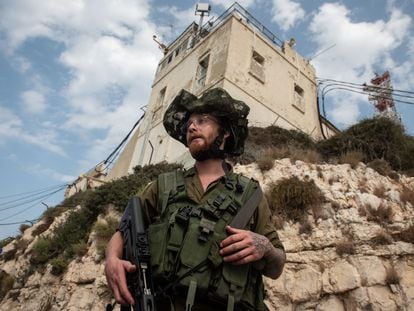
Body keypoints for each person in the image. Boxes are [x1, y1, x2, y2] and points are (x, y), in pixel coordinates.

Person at [105, 88, 286, 310]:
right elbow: (123, 229)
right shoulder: (163, 186)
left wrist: (265, 247)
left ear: (225, 132)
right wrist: (112, 259)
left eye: (202, 120)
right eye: (189, 123)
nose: (191, 127)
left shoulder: (250, 195)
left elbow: (276, 267)